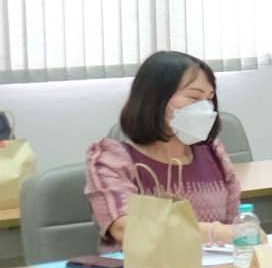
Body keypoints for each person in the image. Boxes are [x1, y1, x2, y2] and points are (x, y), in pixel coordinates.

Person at [83, 50, 242, 249]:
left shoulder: (214, 153)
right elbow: (123, 227)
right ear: (155, 99)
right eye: (194, 97)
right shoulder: (110, 158)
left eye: (210, 99)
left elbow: (235, 224)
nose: (206, 109)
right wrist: (213, 231)